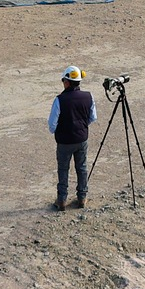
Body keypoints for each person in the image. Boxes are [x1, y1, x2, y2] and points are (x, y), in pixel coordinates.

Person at [49, 65, 97, 209]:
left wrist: (59, 131)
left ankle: (62, 200)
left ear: (67, 82)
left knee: (63, 169)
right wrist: (81, 127)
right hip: (81, 139)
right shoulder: (88, 96)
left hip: (64, 141)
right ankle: (82, 197)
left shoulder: (59, 100)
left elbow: (52, 124)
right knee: (82, 168)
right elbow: (93, 117)